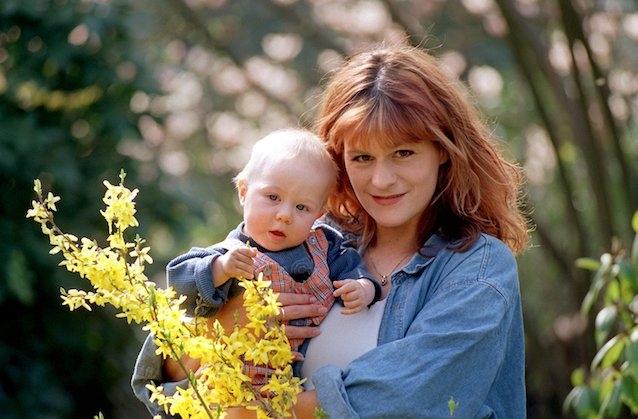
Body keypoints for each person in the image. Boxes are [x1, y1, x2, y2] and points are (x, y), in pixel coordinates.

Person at [133, 43, 528, 418]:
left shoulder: (477, 269)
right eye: (362, 157)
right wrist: (228, 324)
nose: (381, 179)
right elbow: (168, 384)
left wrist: (254, 410)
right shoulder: (306, 240)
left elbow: (406, 401)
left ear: (443, 148)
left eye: (403, 153)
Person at [157, 128, 381, 383]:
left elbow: (353, 266)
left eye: (302, 207)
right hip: (236, 382)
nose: (285, 215)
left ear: (318, 213)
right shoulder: (230, 254)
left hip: (295, 383)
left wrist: (365, 287)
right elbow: (179, 286)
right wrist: (221, 269)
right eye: (273, 197)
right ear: (243, 192)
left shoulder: (324, 245)